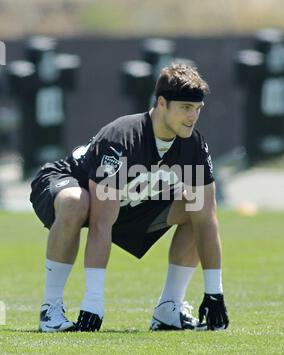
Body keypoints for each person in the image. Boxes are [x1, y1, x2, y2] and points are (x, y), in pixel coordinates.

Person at [30, 63, 229, 333]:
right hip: (67, 183)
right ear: (161, 103)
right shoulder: (123, 138)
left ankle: (169, 309)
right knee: (76, 203)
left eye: (197, 109)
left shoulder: (193, 144)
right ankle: (50, 309)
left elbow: (207, 219)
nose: (192, 116)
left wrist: (214, 292)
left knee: (194, 206)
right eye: (185, 107)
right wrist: (93, 303)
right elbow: (101, 224)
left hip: (125, 201)